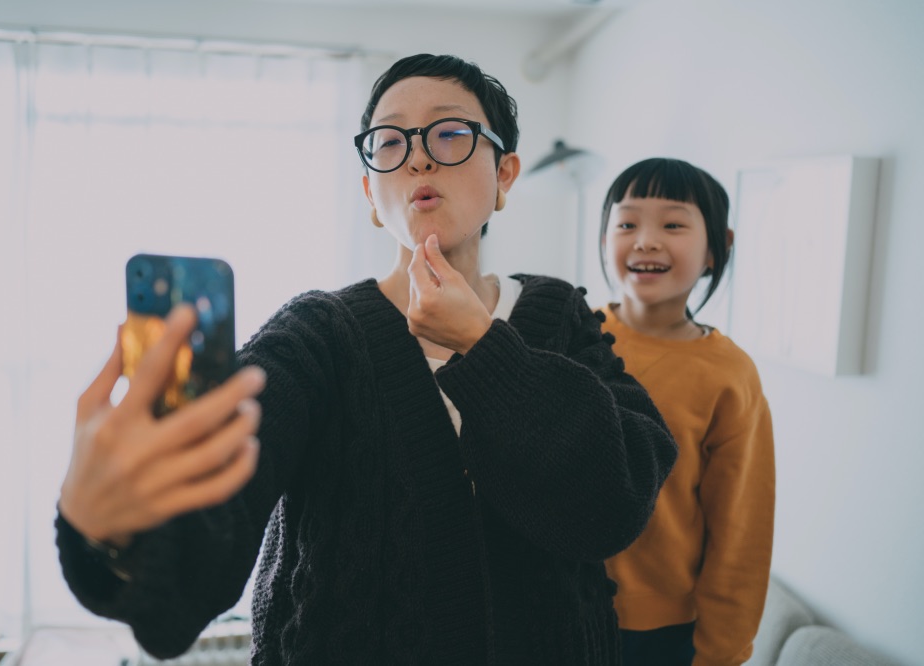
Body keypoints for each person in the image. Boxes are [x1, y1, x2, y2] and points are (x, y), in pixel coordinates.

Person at [55, 54, 678, 665]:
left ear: (506, 176)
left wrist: (485, 348)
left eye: (451, 132)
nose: (420, 155)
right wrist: (113, 532)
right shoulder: (316, 335)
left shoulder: (560, 315)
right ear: (371, 195)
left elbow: (616, 504)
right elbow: (211, 532)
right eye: (390, 141)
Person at [596, 157, 776, 666]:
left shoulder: (728, 375)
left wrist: (722, 653)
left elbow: (740, 533)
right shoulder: (570, 333)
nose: (646, 240)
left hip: (658, 634)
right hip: (551, 601)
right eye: (627, 223)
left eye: (672, 224)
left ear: (719, 248)